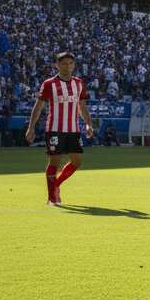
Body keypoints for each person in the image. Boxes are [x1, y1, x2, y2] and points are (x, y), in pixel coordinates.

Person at [25, 51, 93, 206]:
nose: (67, 66)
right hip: (54, 128)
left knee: (77, 161)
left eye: (70, 63)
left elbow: (82, 106)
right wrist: (31, 128)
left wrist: (88, 124)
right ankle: (52, 198)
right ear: (57, 65)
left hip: (73, 129)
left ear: (74, 65)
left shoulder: (79, 83)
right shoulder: (49, 84)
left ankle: (56, 185)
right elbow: (38, 106)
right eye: (63, 63)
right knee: (54, 162)